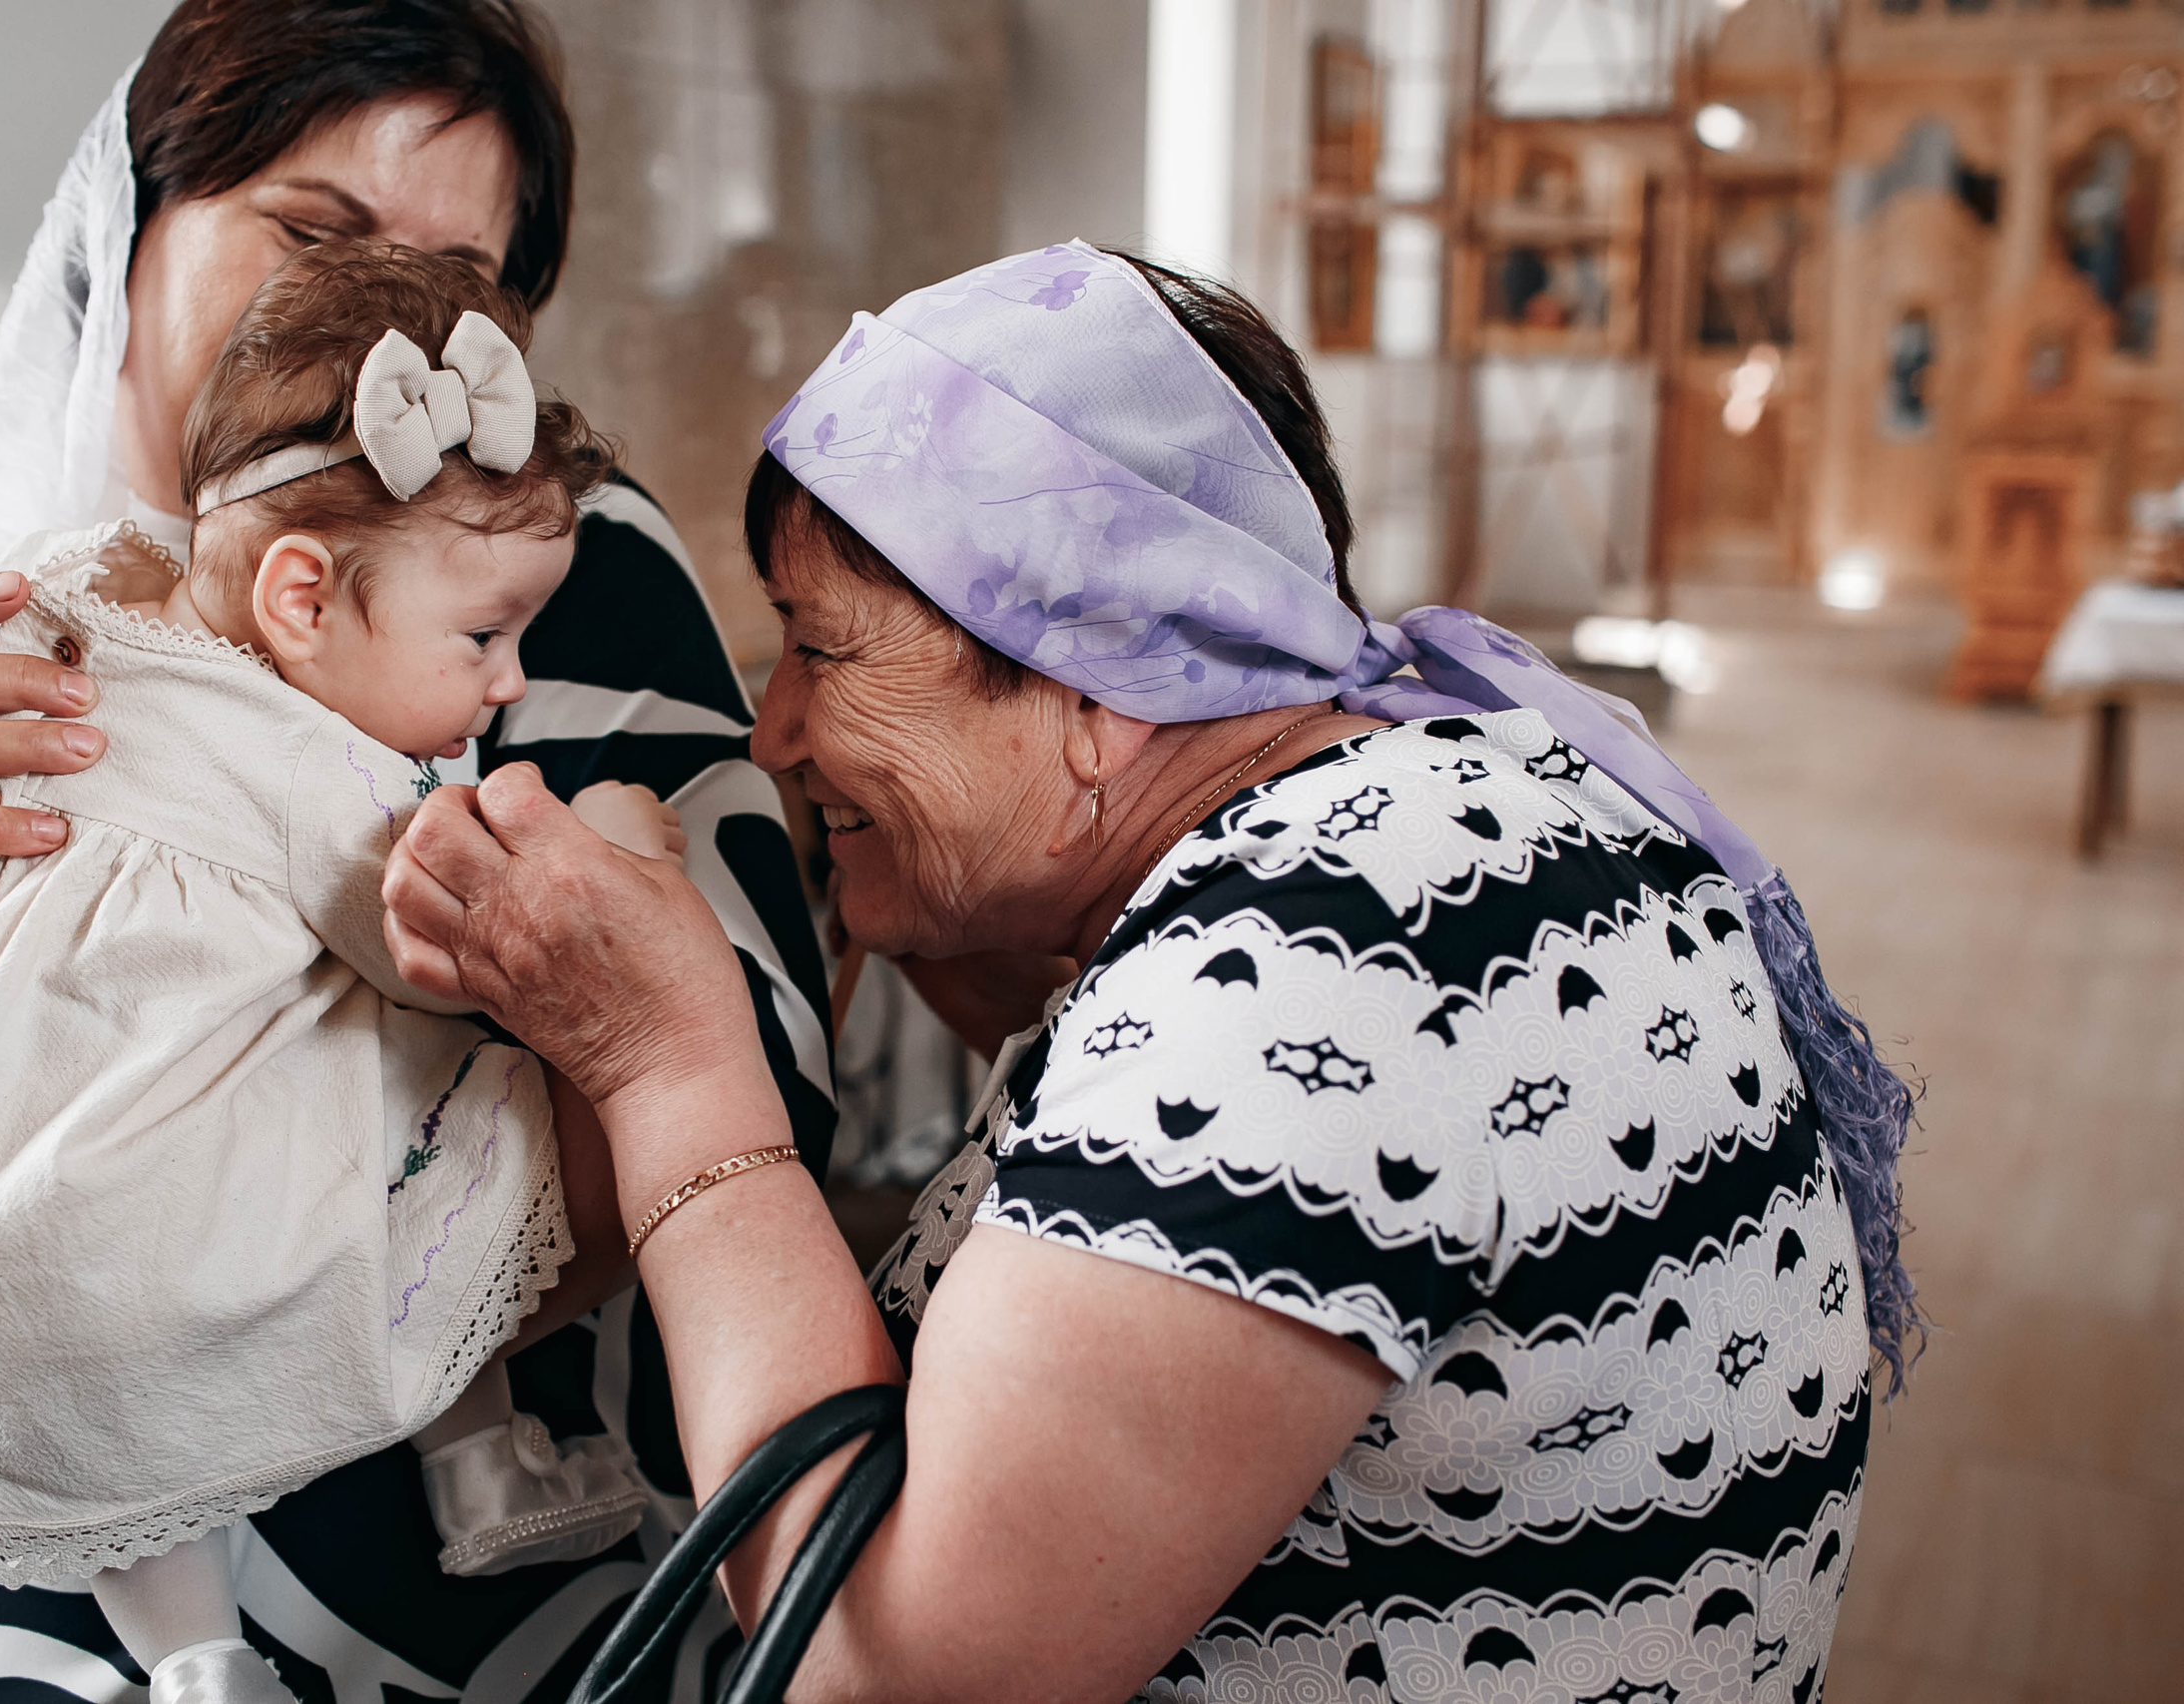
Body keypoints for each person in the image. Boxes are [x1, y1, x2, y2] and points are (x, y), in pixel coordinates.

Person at [383, 242, 1920, 1701]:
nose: (775, 730)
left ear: (1099, 676)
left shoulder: (1307, 972)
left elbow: (875, 1661)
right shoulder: (1454, 808)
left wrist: (668, 1060)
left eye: (821, 650)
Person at [0, 5, 829, 1697]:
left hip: (502, 1642)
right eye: (312, 235)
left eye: (458, 282)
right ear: (130, 215)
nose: (378, 321)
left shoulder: (556, 570)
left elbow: (752, 1090)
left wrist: (144, 1281)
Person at [0, 244, 687, 1702]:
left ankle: (197, 1661)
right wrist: (615, 846)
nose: (511, 683)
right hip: (155, 1236)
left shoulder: (86, 598)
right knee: (478, 1082)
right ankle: (479, 1458)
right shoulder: (322, 778)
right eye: (485, 634)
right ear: (301, 600)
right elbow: (455, 966)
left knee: (128, 1459)